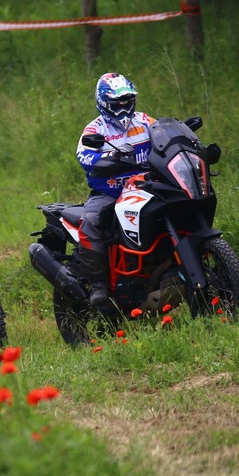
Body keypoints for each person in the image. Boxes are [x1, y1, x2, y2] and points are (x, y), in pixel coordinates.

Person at [76, 73, 155, 310]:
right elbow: (84, 155)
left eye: (126, 101)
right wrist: (110, 157)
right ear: (103, 104)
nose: (122, 107)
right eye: (116, 103)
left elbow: (165, 135)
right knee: (89, 221)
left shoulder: (145, 121)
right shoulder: (94, 129)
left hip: (146, 185)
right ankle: (98, 284)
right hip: (109, 193)